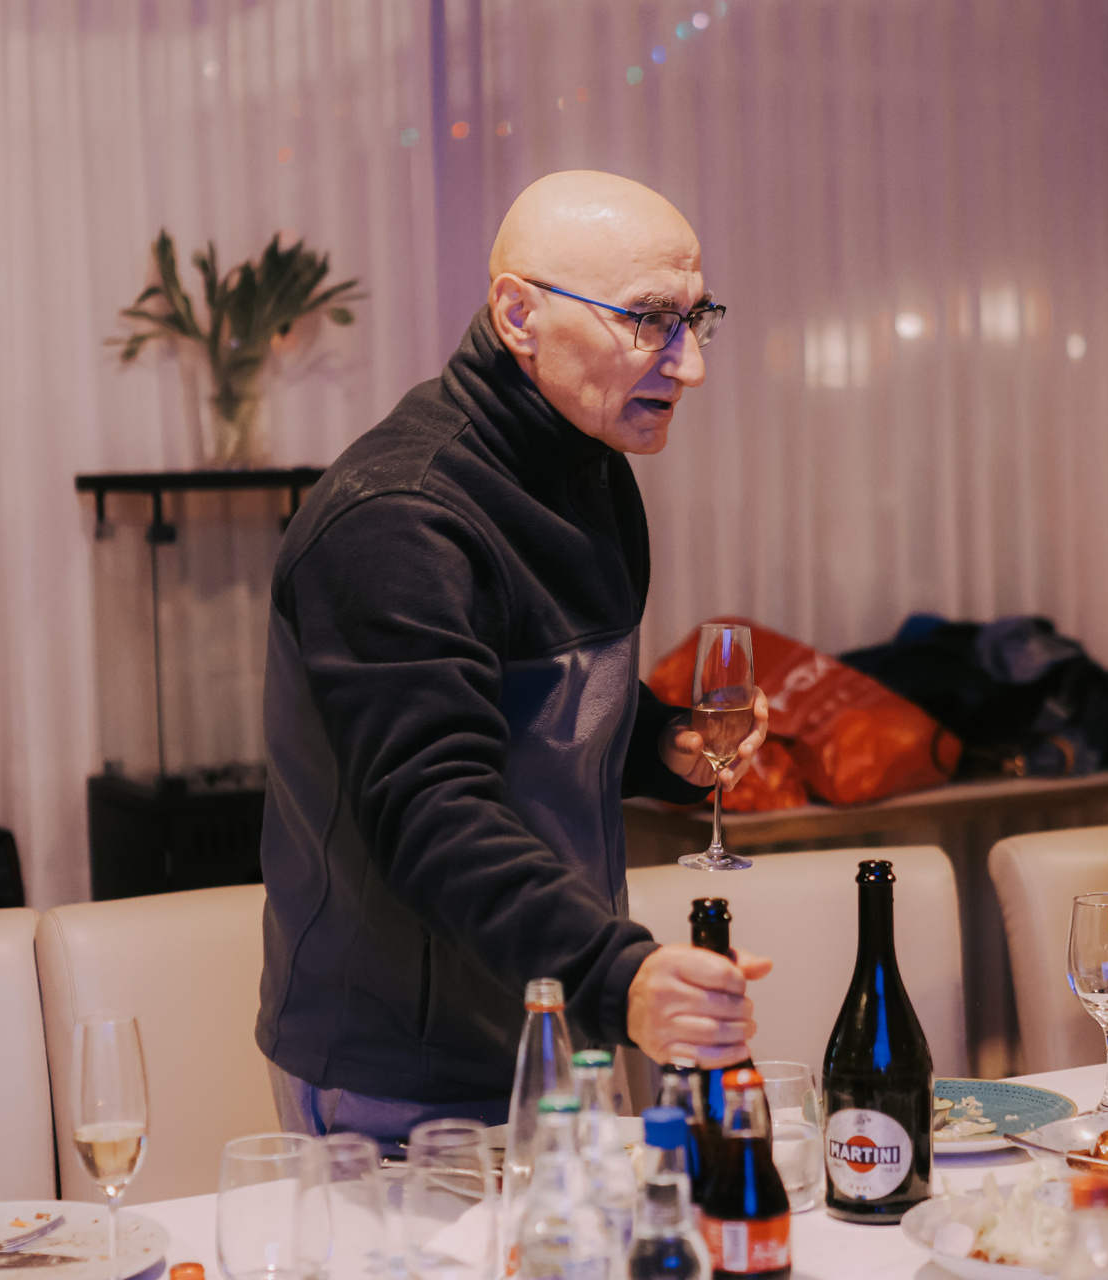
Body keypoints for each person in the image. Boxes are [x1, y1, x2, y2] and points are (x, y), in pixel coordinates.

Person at [255, 171, 772, 1141]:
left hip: (553, 1015)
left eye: (696, 319)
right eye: (650, 320)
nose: (691, 365)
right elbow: (431, 807)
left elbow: (538, 709)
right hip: (407, 1067)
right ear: (518, 314)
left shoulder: (592, 466)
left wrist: (663, 741)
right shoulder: (400, 515)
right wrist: (617, 975)